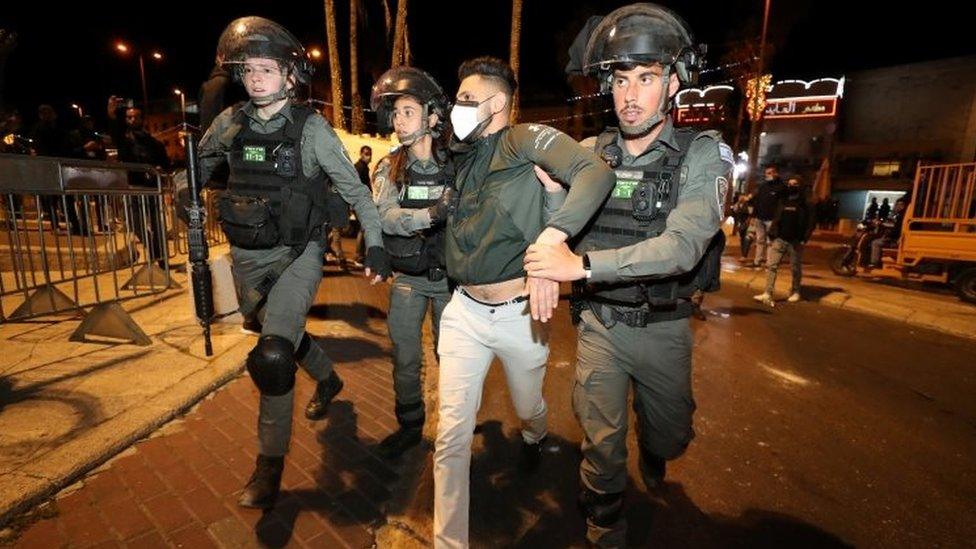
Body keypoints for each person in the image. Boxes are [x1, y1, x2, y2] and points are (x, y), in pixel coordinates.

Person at [524, 5, 731, 546]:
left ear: (674, 82)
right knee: (601, 441)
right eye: (621, 79)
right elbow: (560, 232)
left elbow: (683, 246)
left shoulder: (703, 154)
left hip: (664, 325)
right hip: (599, 325)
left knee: (670, 437)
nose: (631, 94)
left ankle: (656, 443)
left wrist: (582, 267)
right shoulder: (590, 154)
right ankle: (603, 522)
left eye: (647, 77)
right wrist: (552, 198)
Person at [191, 16, 391, 510]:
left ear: (290, 75)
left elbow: (356, 192)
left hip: (298, 254)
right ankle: (329, 378)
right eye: (249, 70)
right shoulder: (230, 122)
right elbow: (197, 165)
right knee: (271, 330)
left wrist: (379, 244)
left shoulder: (312, 130)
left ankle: (268, 463)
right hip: (246, 256)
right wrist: (184, 191)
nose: (257, 78)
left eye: (267, 69)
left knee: (274, 354)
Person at [433, 56, 615, 548]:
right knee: (450, 435)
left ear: (495, 103)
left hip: (520, 317)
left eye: (466, 100)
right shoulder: (463, 157)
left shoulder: (520, 139)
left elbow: (594, 172)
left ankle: (534, 437)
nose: (457, 109)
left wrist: (554, 237)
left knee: (528, 406)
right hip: (463, 314)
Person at [367, 67, 456, 459]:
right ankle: (409, 425)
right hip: (408, 277)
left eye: (407, 111)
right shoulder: (391, 167)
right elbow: (384, 216)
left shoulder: (457, 164)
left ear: (432, 116)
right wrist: (429, 216)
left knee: (449, 357)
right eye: (396, 113)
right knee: (404, 353)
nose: (398, 121)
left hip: (451, 280)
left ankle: (455, 428)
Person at [107, 98, 172, 264]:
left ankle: (162, 257)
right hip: (133, 187)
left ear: (142, 119)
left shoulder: (154, 143)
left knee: (157, 223)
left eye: (136, 117)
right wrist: (112, 111)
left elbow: (165, 164)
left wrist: (159, 170)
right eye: (129, 117)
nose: (132, 120)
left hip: (152, 188)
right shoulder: (124, 140)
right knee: (135, 223)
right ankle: (153, 248)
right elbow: (115, 128)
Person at [753, 175, 814, 306]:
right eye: (790, 183)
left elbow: (810, 223)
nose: (791, 186)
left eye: (795, 184)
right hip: (780, 239)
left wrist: (804, 238)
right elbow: (777, 217)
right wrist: (772, 233)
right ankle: (768, 293)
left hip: (795, 241)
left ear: (800, 186)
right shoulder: (783, 201)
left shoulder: (806, 203)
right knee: (771, 266)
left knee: (795, 268)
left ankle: (796, 291)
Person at [750, 163, 785, 267]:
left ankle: (769, 263)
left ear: (776, 173)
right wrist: (753, 216)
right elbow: (757, 201)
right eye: (766, 173)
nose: (767, 175)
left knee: (771, 242)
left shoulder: (781, 187)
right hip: (760, 218)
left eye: (769, 173)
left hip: (771, 219)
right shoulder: (763, 186)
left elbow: (781, 205)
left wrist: (777, 219)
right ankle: (757, 261)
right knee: (759, 240)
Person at [869, 196, 907, 268]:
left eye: (897, 205)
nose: (896, 206)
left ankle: (874, 263)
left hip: (895, 239)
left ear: (902, 205)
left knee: (875, 243)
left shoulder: (901, 216)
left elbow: (897, 230)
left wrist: (888, 234)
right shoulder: (902, 215)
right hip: (897, 237)